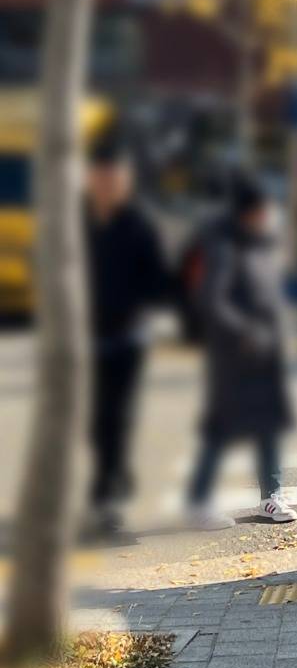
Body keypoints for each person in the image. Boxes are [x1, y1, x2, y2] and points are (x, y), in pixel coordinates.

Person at [184, 172, 297, 529]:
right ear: (246, 211)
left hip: (265, 350)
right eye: (262, 209)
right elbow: (212, 300)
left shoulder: (261, 243)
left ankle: (271, 497)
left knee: (269, 424)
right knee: (221, 426)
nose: (268, 215)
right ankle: (199, 502)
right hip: (233, 353)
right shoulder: (224, 246)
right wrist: (244, 332)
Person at [84, 135, 170, 533]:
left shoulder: (139, 226)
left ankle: (106, 494)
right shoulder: (77, 222)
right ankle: (113, 475)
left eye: (115, 177)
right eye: (101, 176)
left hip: (126, 338)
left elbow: (158, 280)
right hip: (84, 338)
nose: (108, 183)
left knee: (115, 416)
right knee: (96, 419)